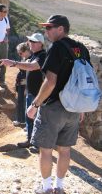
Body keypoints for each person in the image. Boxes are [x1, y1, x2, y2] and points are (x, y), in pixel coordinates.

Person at [27, 15, 91, 194]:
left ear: (61, 29)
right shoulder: (81, 48)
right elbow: (85, 81)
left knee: (46, 150)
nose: (46, 31)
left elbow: (50, 82)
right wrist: (82, 107)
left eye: (49, 28)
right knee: (65, 150)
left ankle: (47, 188)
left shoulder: (57, 48)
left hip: (53, 107)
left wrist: (35, 104)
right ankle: (59, 187)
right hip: (73, 109)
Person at [0, 33, 46, 153]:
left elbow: (32, 67)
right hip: (31, 92)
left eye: (33, 41)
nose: (30, 43)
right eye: (30, 41)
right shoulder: (34, 55)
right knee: (29, 117)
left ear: (41, 44)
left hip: (39, 95)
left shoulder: (42, 55)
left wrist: (13, 63)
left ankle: (37, 144)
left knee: (37, 119)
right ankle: (30, 140)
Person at [12, 42, 32, 127]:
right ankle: (20, 120)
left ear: (26, 51)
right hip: (21, 83)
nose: (20, 55)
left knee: (25, 103)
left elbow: (31, 75)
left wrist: (26, 86)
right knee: (20, 102)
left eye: (20, 53)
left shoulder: (31, 59)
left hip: (26, 85)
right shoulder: (24, 58)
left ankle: (26, 122)